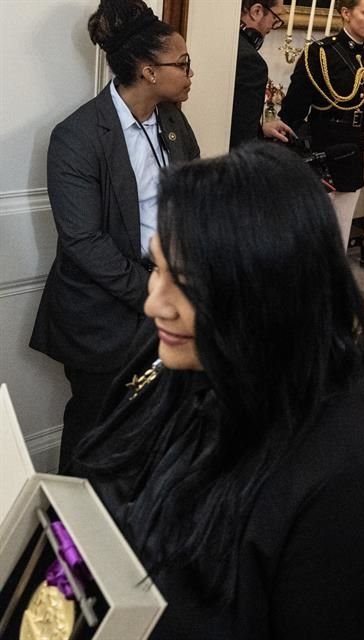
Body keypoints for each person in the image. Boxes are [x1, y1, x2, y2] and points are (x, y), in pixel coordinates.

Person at [71, 144, 364, 639]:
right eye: (156, 268)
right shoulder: (176, 354)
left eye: (184, 282)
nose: (154, 305)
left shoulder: (352, 471)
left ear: (263, 289)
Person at [30, 0, 200, 472]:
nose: (190, 72)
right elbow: (84, 242)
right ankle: (69, 543)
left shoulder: (172, 122)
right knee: (94, 440)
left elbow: (190, 200)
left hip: (164, 304)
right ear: (148, 71)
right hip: (101, 315)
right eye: (181, 63)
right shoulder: (77, 136)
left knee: (155, 434)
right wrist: (155, 292)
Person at [280, 0, 364, 250]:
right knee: (310, 228)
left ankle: (333, 282)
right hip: (322, 144)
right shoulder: (320, 53)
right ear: (346, 14)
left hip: (351, 146)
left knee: (341, 227)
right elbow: (295, 106)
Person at [230, 0, 295, 148]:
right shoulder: (251, 62)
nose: (272, 27)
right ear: (256, 11)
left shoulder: (225, 41)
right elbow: (242, 137)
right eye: (275, 17)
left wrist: (261, 130)